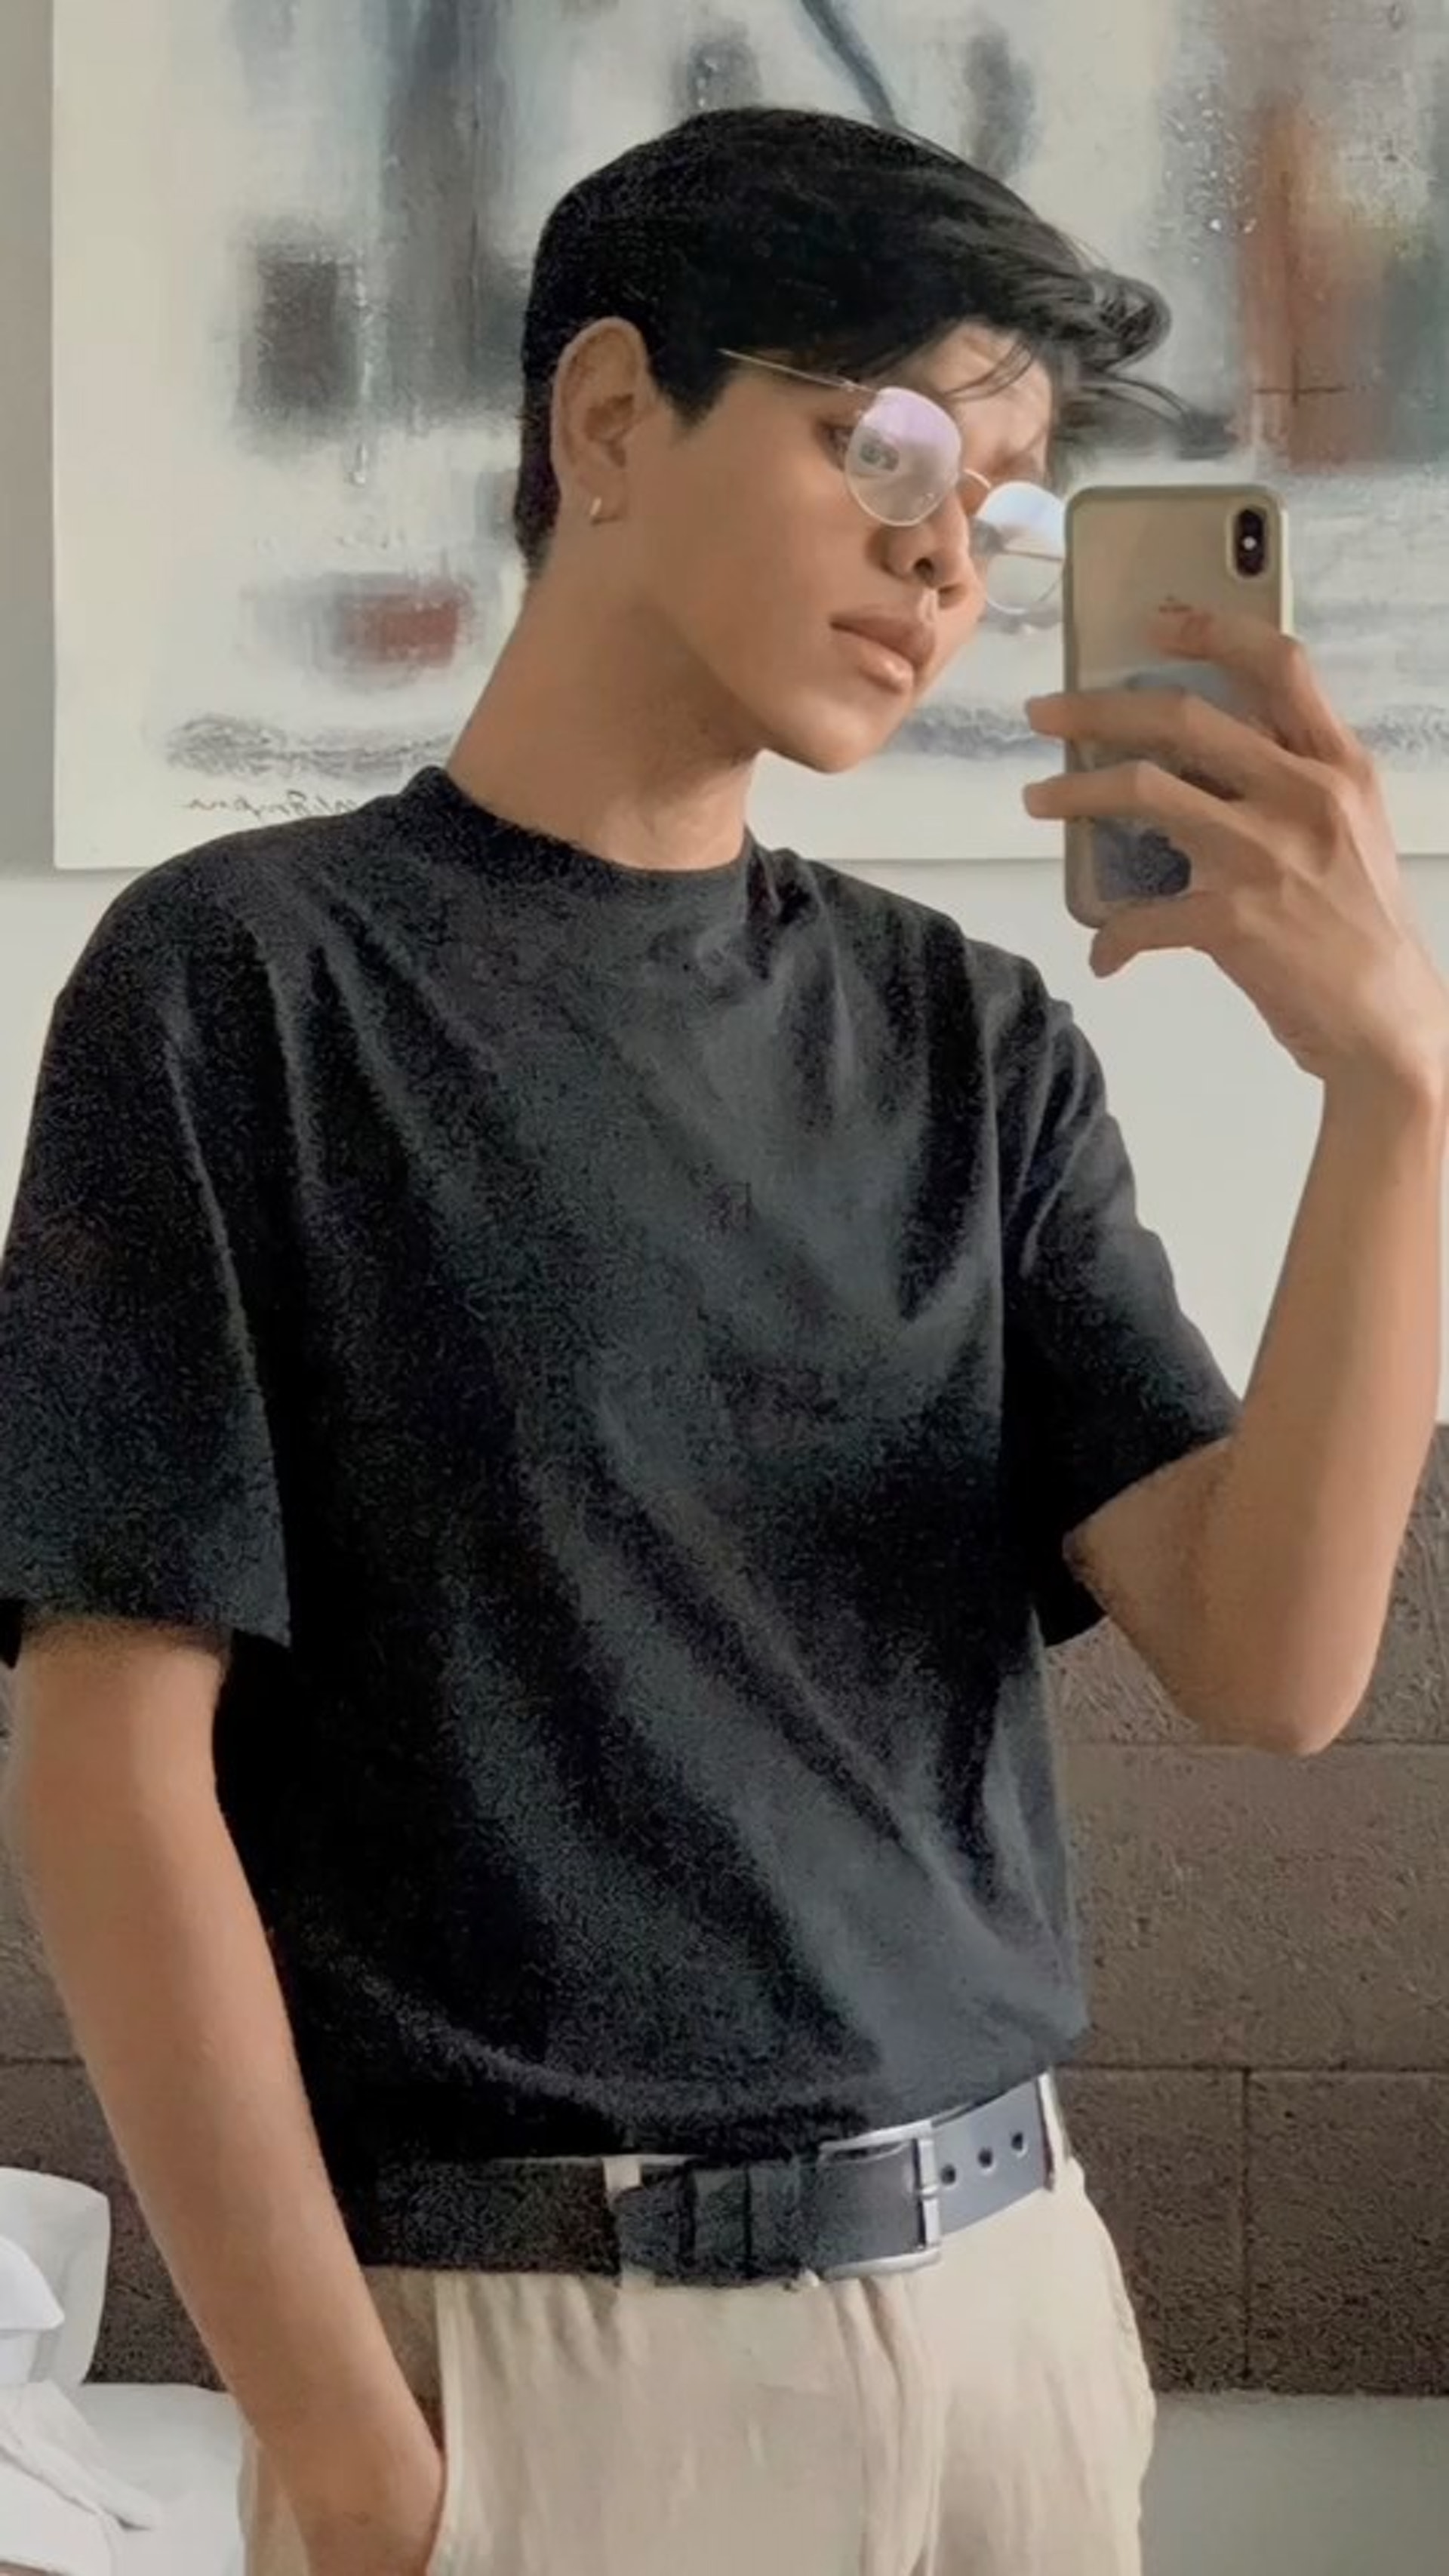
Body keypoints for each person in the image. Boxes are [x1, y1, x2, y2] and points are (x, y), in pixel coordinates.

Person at [0, 102, 1444, 2576]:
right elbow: (113, 1769)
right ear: (608, 419)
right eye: (891, 448)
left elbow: (1276, 1666)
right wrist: (345, 2444)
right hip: (543, 2358)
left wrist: (1395, 1100)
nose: (947, 557)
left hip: (1012, 2321)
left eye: (1000, 507)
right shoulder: (246, 987)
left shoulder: (971, 1040)